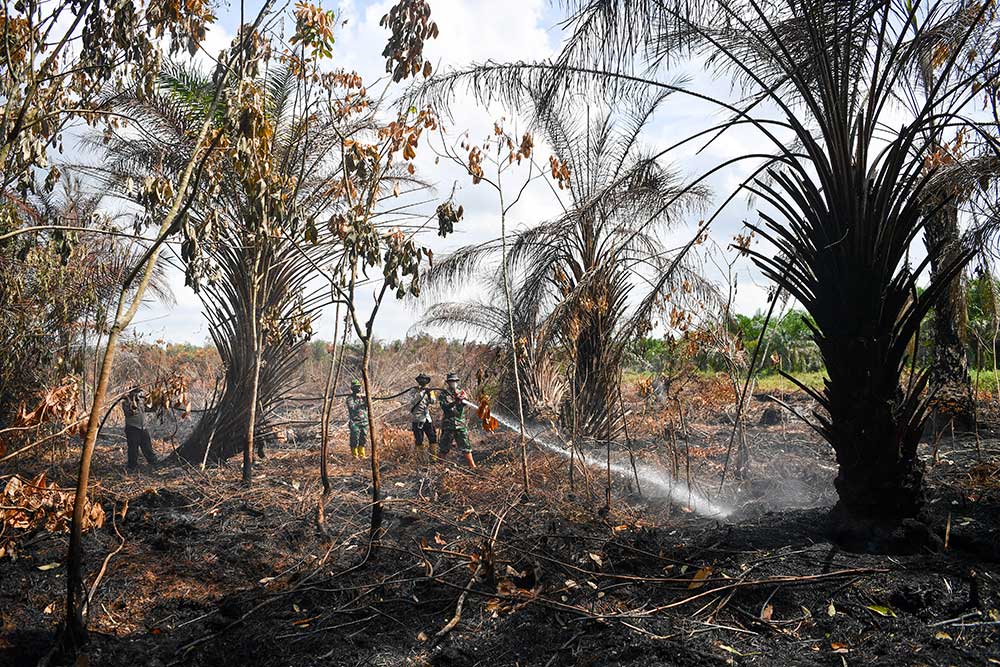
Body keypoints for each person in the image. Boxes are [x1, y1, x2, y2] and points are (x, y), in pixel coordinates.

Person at [438, 372, 475, 468]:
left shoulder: (462, 392)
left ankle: (473, 466)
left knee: (466, 446)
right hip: (448, 424)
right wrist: (454, 402)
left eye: (454, 381)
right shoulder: (443, 394)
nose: (453, 383)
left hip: (460, 424)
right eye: (451, 381)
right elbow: (445, 407)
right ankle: (439, 467)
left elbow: (465, 403)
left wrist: (461, 399)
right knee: (444, 447)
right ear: (448, 382)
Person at [122, 387, 157, 471]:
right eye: (137, 393)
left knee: (147, 447)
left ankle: (153, 463)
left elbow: (151, 409)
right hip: (132, 428)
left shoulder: (142, 402)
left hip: (143, 428)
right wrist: (132, 400)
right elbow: (130, 413)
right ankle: (132, 466)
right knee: (133, 448)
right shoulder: (126, 403)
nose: (140, 395)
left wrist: (155, 399)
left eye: (140, 393)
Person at [409, 372, 436, 452]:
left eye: (424, 379)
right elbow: (411, 402)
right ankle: (420, 458)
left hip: (427, 418)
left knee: (432, 438)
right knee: (419, 440)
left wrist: (429, 394)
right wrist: (421, 393)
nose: (422, 381)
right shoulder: (413, 390)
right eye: (421, 379)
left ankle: (433, 458)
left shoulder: (430, 390)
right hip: (417, 419)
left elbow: (433, 401)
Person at [346, 379, 368, 459]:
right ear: (352, 388)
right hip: (354, 422)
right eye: (356, 387)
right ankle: (355, 455)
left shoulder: (363, 397)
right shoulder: (350, 398)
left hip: (364, 421)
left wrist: (366, 398)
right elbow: (352, 407)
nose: (358, 389)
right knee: (355, 437)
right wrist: (360, 400)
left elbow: (368, 405)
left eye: (359, 387)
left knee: (363, 438)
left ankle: (362, 454)